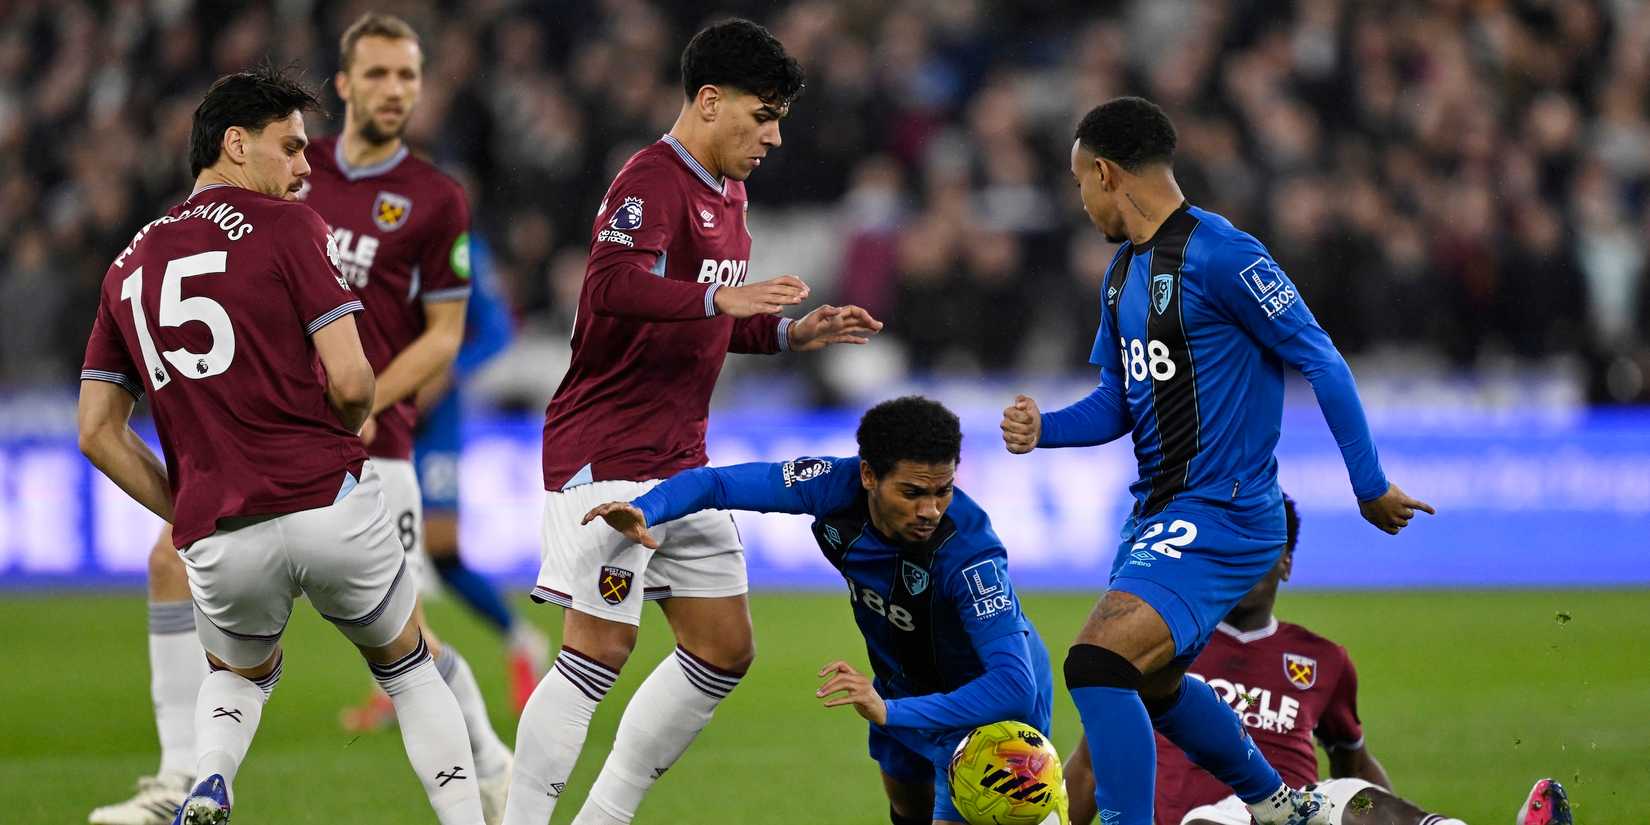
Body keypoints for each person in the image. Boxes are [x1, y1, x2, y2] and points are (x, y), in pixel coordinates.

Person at [999, 96, 1434, 825]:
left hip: (1226, 509)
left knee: (1096, 663)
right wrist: (1045, 428)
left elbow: (1321, 359)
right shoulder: (1119, 278)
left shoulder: (1225, 254)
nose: (1079, 202)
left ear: (1106, 173)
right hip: (1159, 514)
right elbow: (1118, 401)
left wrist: (1369, 484)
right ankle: (1277, 806)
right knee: (1156, 685)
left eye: (1079, 183)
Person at [76, 64, 483, 825]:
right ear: (235, 144)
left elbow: (97, 431)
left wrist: (193, 501)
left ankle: (208, 779)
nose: (306, 167)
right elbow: (356, 380)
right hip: (323, 501)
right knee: (407, 665)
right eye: (291, 148)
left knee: (238, 673)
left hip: (221, 539)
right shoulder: (290, 227)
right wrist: (340, 431)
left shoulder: (126, 266)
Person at [505, 18, 882, 825]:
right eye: (763, 115)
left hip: (683, 460)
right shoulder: (651, 179)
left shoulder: (730, 193)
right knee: (600, 648)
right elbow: (611, 283)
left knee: (723, 646)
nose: (774, 136)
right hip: (604, 450)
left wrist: (786, 331)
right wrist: (721, 297)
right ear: (710, 101)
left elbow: (708, 315)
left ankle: (600, 818)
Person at [583, 396, 1057, 825]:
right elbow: (718, 483)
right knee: (905, 808)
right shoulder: (832, 485)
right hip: (902, 685)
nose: (931, 510)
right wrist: (647, 508)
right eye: (912, 493)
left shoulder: (970, 555)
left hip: (985, 713)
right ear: (869, 475)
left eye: (943, 491)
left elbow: (1014, 687)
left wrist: (890, 712)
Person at [299, 13, 513, 819]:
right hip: (286, 439)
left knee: (404, 642)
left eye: (408, 77)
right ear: (345, 85)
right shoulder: (297, 172)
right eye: (379, 74)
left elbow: (447, 340)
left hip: (378, 443)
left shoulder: (435, 198)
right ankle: (185, 775)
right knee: (182, 572)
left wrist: (364, 401)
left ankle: (493, 766)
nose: (396, 90)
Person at [1062, 496, 1467, 825]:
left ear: (1284, 561)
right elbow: (1090, 766)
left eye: (1255, 548)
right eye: (1227, 547)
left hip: (1302, 811)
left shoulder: (1324, 659)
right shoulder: (1163, 647)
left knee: (1353, 798)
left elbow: (1354, 764)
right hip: (1203, 820)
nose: (1240, 560)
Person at [411, 233, 551, 714]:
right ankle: (396, 685)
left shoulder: (457, 243)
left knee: (440, 549)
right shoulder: (353, 228)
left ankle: (518, 637)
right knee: (383, 554)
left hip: (433, 420)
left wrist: (446, 370)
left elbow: (494, 329)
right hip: (374, 406)